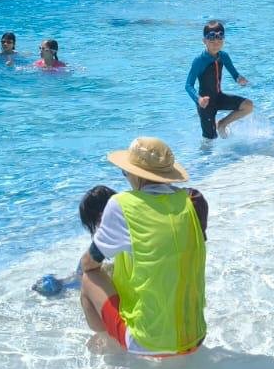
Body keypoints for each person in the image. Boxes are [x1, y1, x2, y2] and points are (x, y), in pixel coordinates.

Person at [79, 136, 208, 356]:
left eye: (125, 172)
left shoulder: (121, 205)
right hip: (195, 336)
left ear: (136, 175)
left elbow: (89, 263)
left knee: (89, 277)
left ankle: (108, 342)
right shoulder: (193, 200)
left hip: (150, 344)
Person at [185, 19, 251, 139]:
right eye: (211, 38)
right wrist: (198, 99)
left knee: (248, 106)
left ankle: (222, 124)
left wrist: (239, 79)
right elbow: (188, 85)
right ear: (204, 41)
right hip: (205, 105)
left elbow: (235, 74)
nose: (216, 41)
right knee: (209, 141)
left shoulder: (224, 56)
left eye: (220, 37)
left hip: (219, 97)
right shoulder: (199, 61)